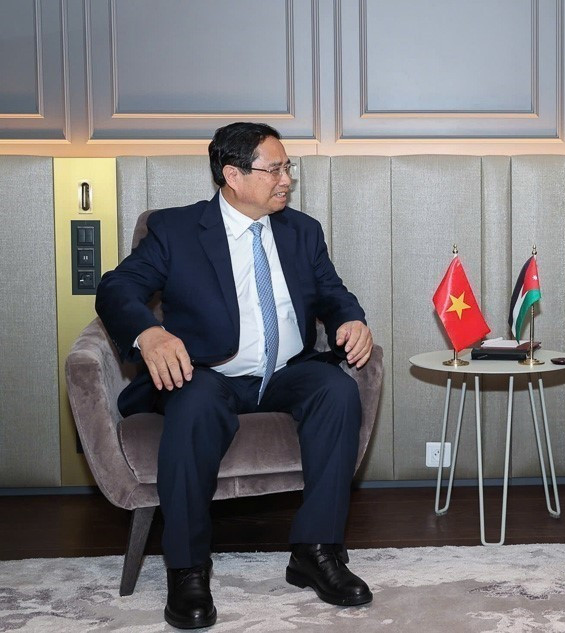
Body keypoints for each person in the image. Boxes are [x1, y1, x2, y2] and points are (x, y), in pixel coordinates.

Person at [96, 122, 374, 629]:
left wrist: (349, 317)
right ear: (233, 175)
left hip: (286, 371)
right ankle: (187, 569)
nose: (286, 178)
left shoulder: (301, 231)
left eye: (288, 167)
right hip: (210, 373)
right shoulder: (177, 230)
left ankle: (315, 550)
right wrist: (149, 335)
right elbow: (117, 288)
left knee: (336, 390)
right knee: (193, 402)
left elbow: (332, 291)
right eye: (275, 169)